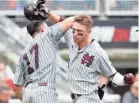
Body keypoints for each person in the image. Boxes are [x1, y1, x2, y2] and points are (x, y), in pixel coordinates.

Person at [21, 0, 137, 103]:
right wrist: (48, 13)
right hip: (77, 98)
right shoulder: (73, 39)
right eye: (74, 30)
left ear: (89, 31)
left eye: (79, 32)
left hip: (88, 99)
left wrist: (125, 79)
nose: (75, 34)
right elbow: (62, 22)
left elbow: (113, 75)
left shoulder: (97, 52)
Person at [14, 1, 74, 103]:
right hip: (44, 91)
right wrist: (49, 13)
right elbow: (71, 22)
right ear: (42, 30)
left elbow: (18, 87)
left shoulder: (23, 53)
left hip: (27, 93)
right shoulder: (47, 35)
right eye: (47, 27)